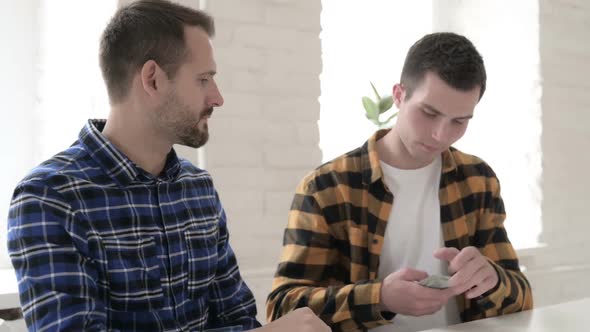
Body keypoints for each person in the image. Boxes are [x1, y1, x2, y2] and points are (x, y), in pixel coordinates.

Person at [7, 1, 329, 331]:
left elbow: (238, 321)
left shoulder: (197, 188)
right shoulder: (49, 198)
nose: (217, 98)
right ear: (153, 79)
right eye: (204, 79)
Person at [266, 32, 533, 332]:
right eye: (429, 113)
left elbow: (522, 298)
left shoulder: (478, 179)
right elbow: (282, 310)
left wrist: (494, 280)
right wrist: (380, 299)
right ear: (398, 95)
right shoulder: (327, 186)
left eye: (459, 121)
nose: (441, 135)